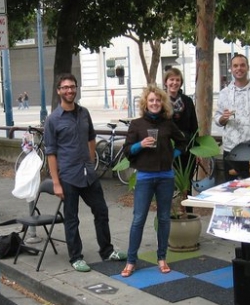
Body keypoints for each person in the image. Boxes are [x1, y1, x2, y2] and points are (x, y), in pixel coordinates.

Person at [44, 73, 126, 272]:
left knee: (101, 211)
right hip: (68, 176)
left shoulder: (84, 113)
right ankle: (76, 257)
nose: (69, 90)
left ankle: (107, 250)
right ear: (59, 91)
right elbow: (51, 153)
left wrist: (90, 161)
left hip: (87, 174)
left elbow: (91, 138)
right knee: (72, 218)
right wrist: (56, 182)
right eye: (65, 87)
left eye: (72, 86)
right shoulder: (53, 119)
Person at [120, 85, 187, 277]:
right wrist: (140, 144)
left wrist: (171, 156)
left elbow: (182, 143)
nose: (155, 103)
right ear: (145, 103)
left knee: (164, 218)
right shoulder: (137, 124)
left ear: (162, 103)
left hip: (166, 176)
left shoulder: (168, 123)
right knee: (139, 218)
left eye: (158, 100)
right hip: (145, 176)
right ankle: (131, 261)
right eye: (151, 100)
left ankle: (162, 258)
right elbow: (127, 150)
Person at [163, 67, 198, 171]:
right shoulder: (160, 101)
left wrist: (197, 149)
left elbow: (194, 126)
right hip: (168, 147)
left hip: (186, 147)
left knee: (186, 182)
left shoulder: (187, 101)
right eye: (171, 79)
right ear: (166, 82)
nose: (174, 83)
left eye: (177, 80)